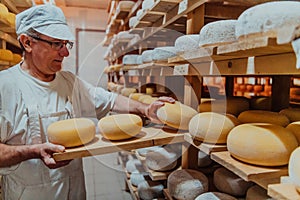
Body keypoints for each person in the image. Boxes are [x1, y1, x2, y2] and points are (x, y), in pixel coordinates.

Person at [0, 4, 175, 200]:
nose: (65, 53)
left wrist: (145, 108)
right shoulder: (5, 86)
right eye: (57, 44)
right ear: (27, 43)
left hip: (75, 191)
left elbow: (109, 100)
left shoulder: (68, 81)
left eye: (66, 44)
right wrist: (31, 152)